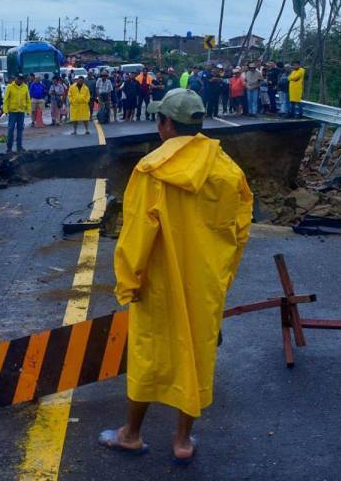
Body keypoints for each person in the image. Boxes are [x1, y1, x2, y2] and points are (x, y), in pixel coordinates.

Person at [98, 88, 253, 465]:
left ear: (165, 124)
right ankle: (183, 440)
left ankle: (131, 434)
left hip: (159, 283)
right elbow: (239, 231)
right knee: (198, 353)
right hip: (204, 283)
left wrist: (129, 282)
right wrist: (223, 278)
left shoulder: (152, 170)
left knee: (148, 352)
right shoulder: (227, 169)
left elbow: (136, 233)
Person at [4, 73, 30, 152]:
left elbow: (27, 99)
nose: (20, 80)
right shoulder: (10, 87)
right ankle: (9, 148)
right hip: (12, 112)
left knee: (20, 130)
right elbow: (6, 99)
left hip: (21, 112)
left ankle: (19, 147)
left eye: (21, 79)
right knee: (11, 129)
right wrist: (5, 110)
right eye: (19, 79)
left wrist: (28, 110)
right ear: (16, 78)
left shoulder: (25, 87)